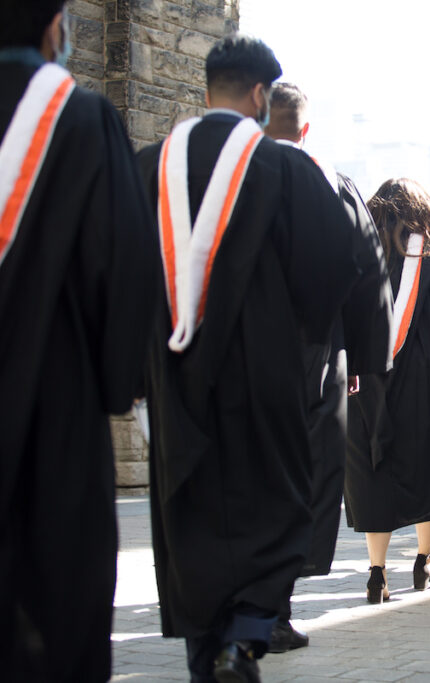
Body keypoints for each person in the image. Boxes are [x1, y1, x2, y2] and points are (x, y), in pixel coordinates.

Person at [137, 34, 367, 681]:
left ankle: (205, 652)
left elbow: (116, 274)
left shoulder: (148, 166)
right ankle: (243, 637)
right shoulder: (288, 170)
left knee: (191, 514)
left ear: (207, 89)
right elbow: (335, 268)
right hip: (266, 377)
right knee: (272, 506)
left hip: (175, 378)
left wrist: (134, 372)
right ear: (261, 96)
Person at [0, 3, 160, 678]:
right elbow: (121, 272)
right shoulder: (80, 120)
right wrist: (118, 374)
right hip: (49, 409)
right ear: (53, 27)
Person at [264, 82, 391, 649]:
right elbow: (368, 279)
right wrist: (363, 359)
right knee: (303, 477)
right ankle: (275, 607)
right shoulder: (333, 184)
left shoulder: (223, 177)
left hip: (233, 356)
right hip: (316, 356)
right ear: (305, 129)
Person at [346, 178, 430, 602]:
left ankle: (376, 571)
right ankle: (424, 561)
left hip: (367, 377)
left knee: (373, 467)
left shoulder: (359, 248)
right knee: (429, 465)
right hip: (428, 379)